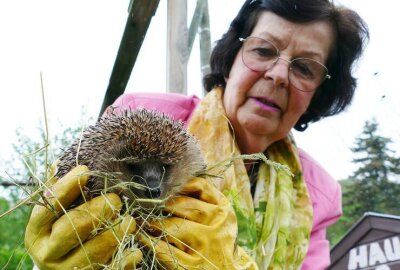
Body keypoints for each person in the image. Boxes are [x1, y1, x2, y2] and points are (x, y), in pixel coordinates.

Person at [25, 0, 369, 269]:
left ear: (318, 95)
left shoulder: (318, 194)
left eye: (304, 68)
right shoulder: (143, 112)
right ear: (233, 57)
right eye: (264, 50)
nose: (279, 75)